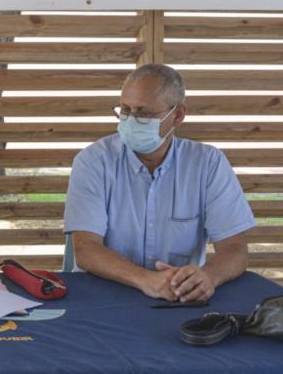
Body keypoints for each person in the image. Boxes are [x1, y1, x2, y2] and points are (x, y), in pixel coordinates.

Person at [64, 63, 256, 302]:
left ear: (178, 115)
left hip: (177, 297)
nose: (130, 121)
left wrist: (209, 277)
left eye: (144, 113)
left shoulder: (208, 164)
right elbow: (85, 250)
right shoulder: (93, 161)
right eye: (125, 109)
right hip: (102, 296)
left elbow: (234, 248)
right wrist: (145, 280)